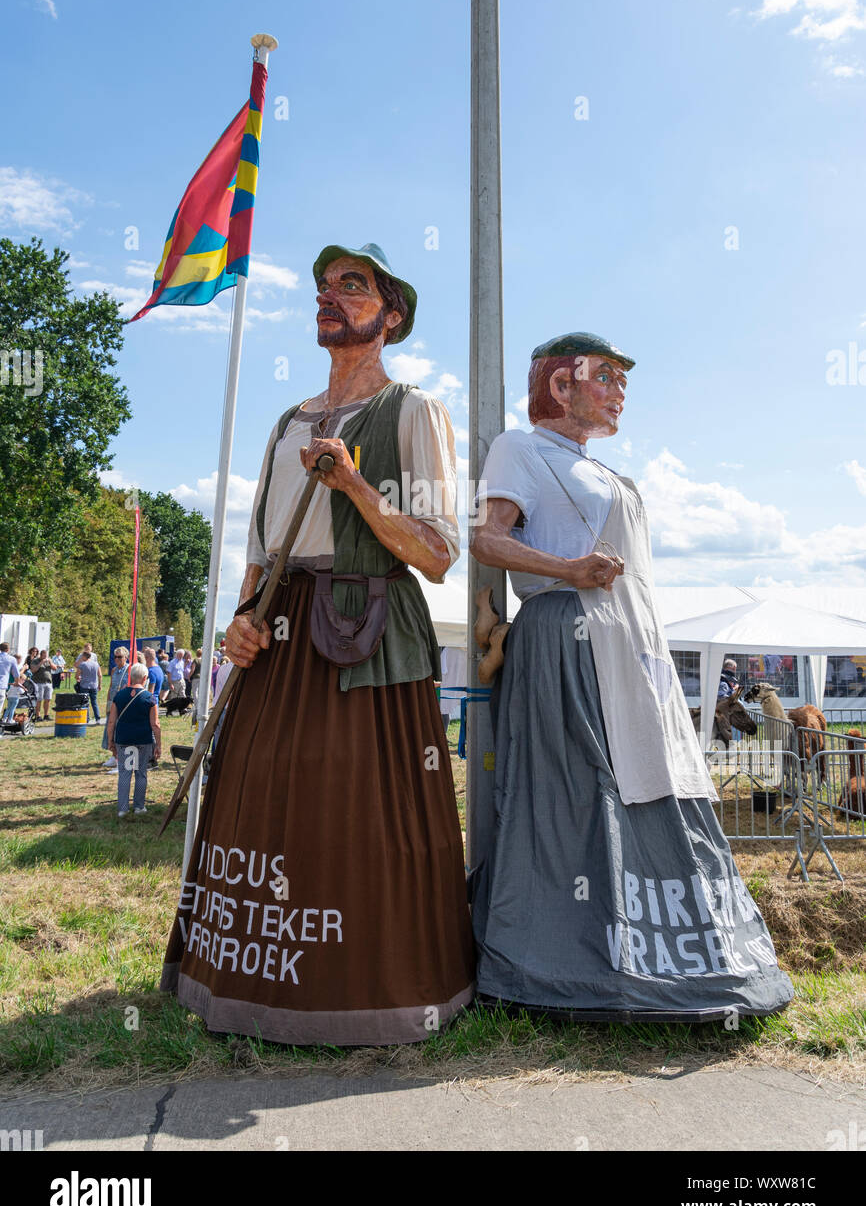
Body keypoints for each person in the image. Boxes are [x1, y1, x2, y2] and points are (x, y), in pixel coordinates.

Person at [161, 241, 474, 1044]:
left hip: (366, 633)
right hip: (280, 631)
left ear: (390, 315)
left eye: (353, 286)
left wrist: (357, 486)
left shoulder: (411, 412)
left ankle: (371, 991)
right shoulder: (286, 421)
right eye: (324, 287)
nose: (329, 297)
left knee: (358, 809)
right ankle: (242, 985)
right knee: (260, 793)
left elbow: (438, 554)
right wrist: (239, 617)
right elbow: (263, 547)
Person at [468, 332, 792, 1022]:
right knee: (577, 791)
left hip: (634, 651)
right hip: (569, 640)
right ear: (560, 385)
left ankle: (671, 951)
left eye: (623, 381)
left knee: (657, 780)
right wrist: (568, 570)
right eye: (606, 377)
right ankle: (565, 961)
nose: (619, 392)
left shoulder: (607, 473)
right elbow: (488, 540)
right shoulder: (520, 449)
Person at [107, 662, 162, 818]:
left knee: (124, 773)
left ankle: (123, 809)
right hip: (143, 740)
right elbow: (155, 724)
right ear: (145, 678)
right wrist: (159, 745)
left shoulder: (119, 695)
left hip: (123, 739)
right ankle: (139, 806)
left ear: (131, 677)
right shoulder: (149, 698)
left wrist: (110, 741)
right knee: (141, 773)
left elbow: (111, 722)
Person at [101, 648, 131, 769]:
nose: (117, 659)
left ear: (126, 657)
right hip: (113, 703)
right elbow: (111, 687)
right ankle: (114, 755)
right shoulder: (114, 670)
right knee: (110, 730)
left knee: (120, 731)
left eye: (120, 657)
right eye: (115, 657)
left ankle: (121, 758)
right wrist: (108, 702)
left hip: (123, 705)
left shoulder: (129, 670)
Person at [75, 647, 102, 724]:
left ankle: (87, 719)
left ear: (84, 656)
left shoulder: (82, 664)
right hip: (94, 686)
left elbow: (77, 676)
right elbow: (100, 675)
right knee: (94, 702)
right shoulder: (96, 664)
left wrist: (79, 677)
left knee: (85, 703)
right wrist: (99, 685)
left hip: (84, 686)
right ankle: (98, 719)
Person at [0, 642, 20, 721]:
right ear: (8, 649)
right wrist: (16, 683)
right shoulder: (11, 659)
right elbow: (16, 674)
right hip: (2, 685)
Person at [2, 654, 24, 723]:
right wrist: (24, 669)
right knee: (12, 708)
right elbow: (17, 674)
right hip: (13, 690)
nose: (21, 661)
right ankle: (10, 719)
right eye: (20, 660)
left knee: (8, 708)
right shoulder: (13, 666)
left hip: (10, 691)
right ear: (17, 659)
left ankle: (4, 718)